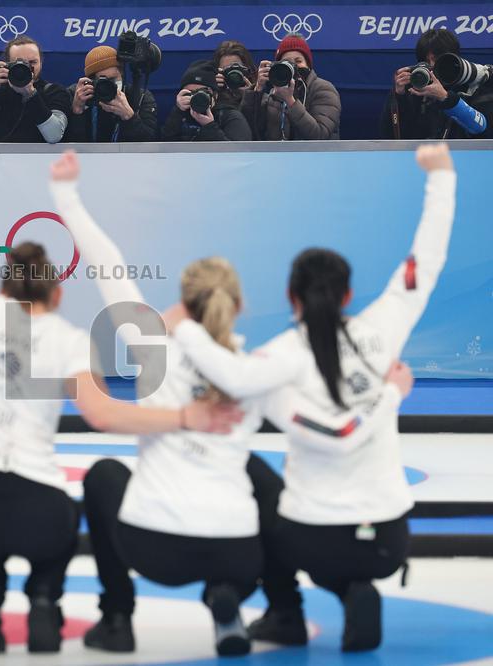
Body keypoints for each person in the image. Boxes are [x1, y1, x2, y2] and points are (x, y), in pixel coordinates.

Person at [47, 151, 410, 657]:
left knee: (104, 476)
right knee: (265, 479)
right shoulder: (258, 366)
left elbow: (108, 266)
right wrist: (388, 390)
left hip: (154, 549)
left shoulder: (154, 347)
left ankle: (117, 619)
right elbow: (329, 417)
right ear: (239, 306)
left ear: (184, 304)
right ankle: (278, 607)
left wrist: (66, 194)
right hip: (236, 554)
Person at [0, 161, 243, 654]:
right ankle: (44, 600)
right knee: (59, 520)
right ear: (57, 292)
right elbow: (103, 416)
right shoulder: (71, 340)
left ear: (2, 285)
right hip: (39, 510)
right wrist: (184, 417)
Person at [162, 143, 456, 652]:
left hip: (311, 542)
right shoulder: (384, 329)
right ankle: (355, 589)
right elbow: (423, 262)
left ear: (289, 297)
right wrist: (442, 176)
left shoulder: (278, 360)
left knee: (252, 480)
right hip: (386, 539)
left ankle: (286, 614)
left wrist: (183, 330)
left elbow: (231, 375)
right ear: (347, 295)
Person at [381, 28, 493, 139]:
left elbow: (483, 129)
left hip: (468, 155)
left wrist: (445, 97)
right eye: (426, 61)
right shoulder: (415, 88)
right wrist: (399, 97)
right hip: (422, 154)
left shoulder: (475, 84)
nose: (432, 65)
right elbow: (390, 137)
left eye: (437, 59)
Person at [0, 35, 69, 143]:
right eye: (18, 63)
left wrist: (31, 94)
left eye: (32, 62)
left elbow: (54, 135)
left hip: (37, 161)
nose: (26, 68)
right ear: (7, 63)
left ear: (41, 62)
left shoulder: (54, 92)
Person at [244, 34, 341, 140]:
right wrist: (258, 89)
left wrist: (290, 101)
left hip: (316, 155)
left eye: (298, 61)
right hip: (279, 155)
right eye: (287, 62)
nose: (293, 66)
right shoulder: (274, 93)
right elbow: (251, 130)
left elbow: (320, 135)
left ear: (308, 65)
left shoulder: (323, 89)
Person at [66, 46, 156, 142]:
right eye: (103, 81)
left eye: (113, 80)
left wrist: (129, 116)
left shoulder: (139, 96)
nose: (108, 85)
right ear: (91, 81)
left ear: (122, 75)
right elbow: (64, 144)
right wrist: (77, 112)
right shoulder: (78, 95)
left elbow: (150, 142)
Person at [161, 60, 251, 141]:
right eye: (190, 92)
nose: (197, 96)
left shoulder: (229, 117)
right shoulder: (181, 115)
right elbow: (165, 148)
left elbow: (238, 154)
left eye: (202, 92)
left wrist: (209, 126)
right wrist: (177, 112)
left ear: (215, 95)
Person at [212, 40, 257, 114]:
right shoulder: (213, 95)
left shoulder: (259, 94)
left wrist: (250, 97)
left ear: (247, 69)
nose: (232, 74)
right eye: (226, 69)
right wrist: (215, 91)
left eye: (235, 68)